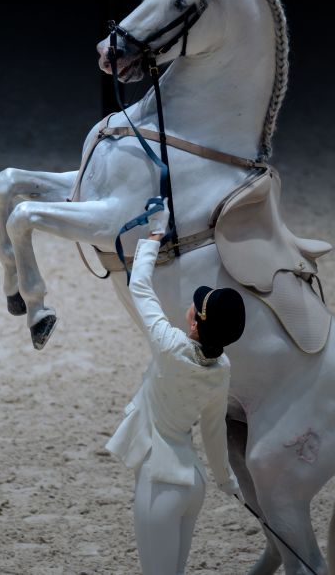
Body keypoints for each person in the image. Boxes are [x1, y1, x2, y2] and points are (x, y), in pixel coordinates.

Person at [105, 200, 246, 574]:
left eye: (195, 307)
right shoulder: (222, 368)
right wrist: (226, 480)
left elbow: (139, 286)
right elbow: (213, 433)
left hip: (160, 481)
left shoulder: (169, 346)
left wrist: (155, 233)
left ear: (195, 324)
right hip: (193, 483)